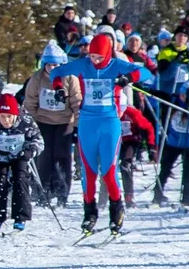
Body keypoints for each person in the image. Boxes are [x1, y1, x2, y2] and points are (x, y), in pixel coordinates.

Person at [49, 34, 153, 234]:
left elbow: (146, 72)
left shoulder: (115, 66)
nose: (94, 61)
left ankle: (116, 208)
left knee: (108, 170)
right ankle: (90, 213)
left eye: (99, 57)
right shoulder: (84, 64)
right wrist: (59, 88)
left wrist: (128, 78)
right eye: (92, 56)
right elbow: (57, 73)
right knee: (88, 172)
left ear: (107, 54)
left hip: (109, 123)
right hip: (87, 122)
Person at [24, 41, 80, 207]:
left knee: (62, 157)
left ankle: (62, 192)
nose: (53, 68)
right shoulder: (36, 79)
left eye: (56, 65)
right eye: (49, 65)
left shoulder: (70, 78)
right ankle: (43, 192)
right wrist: (30, 126)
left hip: (65, 123)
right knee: (45, 157)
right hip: (43, 122)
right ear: (44, 65)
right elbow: (30, 103)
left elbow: (77, 102)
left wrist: (76, 126)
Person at [0, 94, 43, 232]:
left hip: (19, 156)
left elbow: (38, 141)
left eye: (9, 116)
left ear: (15, 114)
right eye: (2, 116)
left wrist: (30, 151)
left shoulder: (26, 122)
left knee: (20, 179)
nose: (6, 120)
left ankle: (21, 217)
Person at [154, 82, 189, 208]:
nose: (183, 98)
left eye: (187, 97)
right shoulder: (173, 101)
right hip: (172, 142)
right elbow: (159, 94)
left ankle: (186, 198)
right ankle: (157, 195)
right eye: (182, 95)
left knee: (188, 171)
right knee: (165, 168)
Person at [117, 104, 156, 209]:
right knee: (106, 168)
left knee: (125, 166)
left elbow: (148, 127)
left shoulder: (132, 113)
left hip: (130, 142)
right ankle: (105, 199)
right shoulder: (108, 111)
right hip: (114, 141)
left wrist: (151, 146)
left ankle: (129, 196)